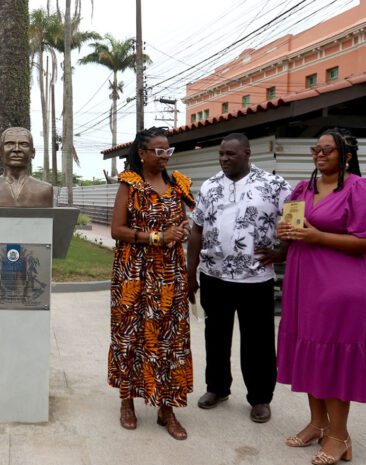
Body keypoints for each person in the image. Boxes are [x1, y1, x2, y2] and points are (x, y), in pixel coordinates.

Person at [187, 132, 291, 423]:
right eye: (221, 154)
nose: (224, 159)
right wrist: (190, 272)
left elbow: (296, 214)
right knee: (215, 336)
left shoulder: (272, 184)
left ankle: (260, 398)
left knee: (257, 341)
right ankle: (217, 388)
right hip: (214, 275)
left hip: (255, 278)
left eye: (230, 154)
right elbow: (196, 230)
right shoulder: (209, 186)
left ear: (247, 153)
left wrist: (282, 250)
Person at [276, 129, 365, 465]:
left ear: (345, 155)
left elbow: (363, 241)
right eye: (317, 149)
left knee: (332, 359)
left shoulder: (359, 190)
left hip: (340, 287)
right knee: (309, 351)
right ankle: (317, 424)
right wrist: (286, 232)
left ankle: (339, 436)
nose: (320, 154)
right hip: (304, 282)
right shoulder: (303, 189)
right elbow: (291, 227)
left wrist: (316, 236)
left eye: (328, 150)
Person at [109, 126, 193, 440]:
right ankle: (127, 401)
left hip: (170, 274)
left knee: (169, 338)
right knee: (129, 335)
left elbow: (183, 222)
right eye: (158, 151)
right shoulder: (129, 184)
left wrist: (180, 230)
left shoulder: (178, 184)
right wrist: (157, 236)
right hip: (133, 273)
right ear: (142, 153)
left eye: (167, 151)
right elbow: (118, 230)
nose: (164, 156)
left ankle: (167, 408)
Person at [0, 127, 54, 207]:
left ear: (33, 152)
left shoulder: (45, 189)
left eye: (24, 144)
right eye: (9, 144)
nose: (16, 149)